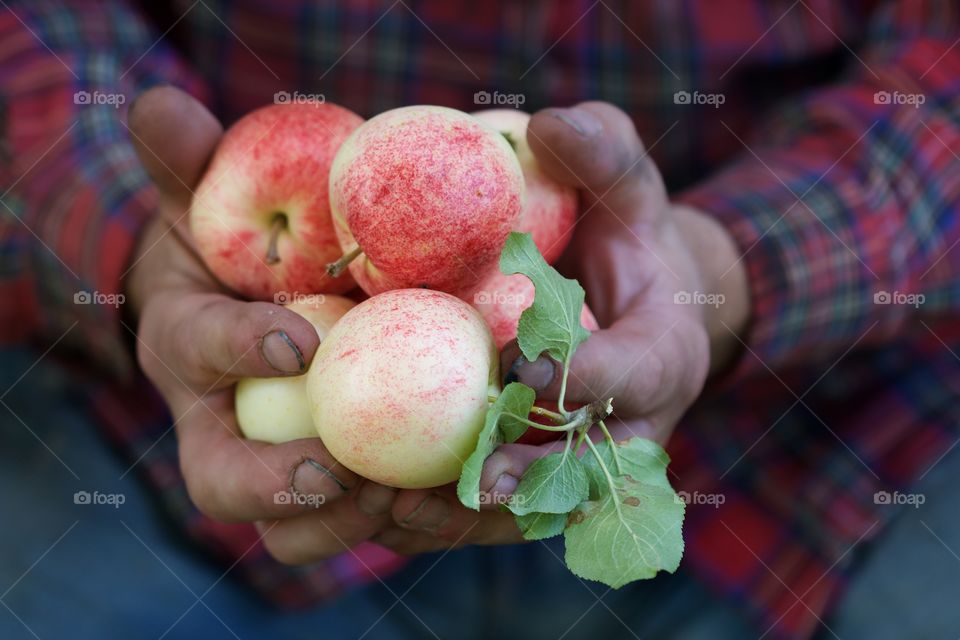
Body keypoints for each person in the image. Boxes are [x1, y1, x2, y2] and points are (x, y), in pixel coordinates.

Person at [1, 1, 958, 638]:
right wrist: (132, 249)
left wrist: (720, 276)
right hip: (181, 421)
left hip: (813, 437)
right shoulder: (347, 231)